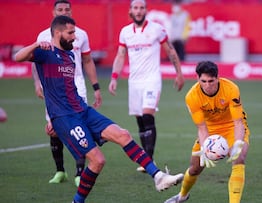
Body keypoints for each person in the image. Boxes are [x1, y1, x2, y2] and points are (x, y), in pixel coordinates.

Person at [14, 15, 183, 203]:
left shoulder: (70, 56)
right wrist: (37, 44)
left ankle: (158, 177)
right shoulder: (45, 52)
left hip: (82, 110)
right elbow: (18, 56)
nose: (74, 37)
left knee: (123, 135)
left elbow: (68, 89)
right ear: (57, 33)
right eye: (70, 33)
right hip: (65, 117)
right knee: (98, 160)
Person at [108, 0, 185, 173]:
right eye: (136, 8)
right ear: (131, 11)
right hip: (134, 82)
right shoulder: (125, 32)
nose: (139, 11)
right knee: (140, 120)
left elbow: (171, 51)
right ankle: (148, 160)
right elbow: (120, 56)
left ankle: (148, 159)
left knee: (147, 115)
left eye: (142, 8)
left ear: (146, 10)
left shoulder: (157, 29)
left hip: (152, 79)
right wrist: (114, 78)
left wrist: (179, 73)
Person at [164, 61, 250, 203]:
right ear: (198, 79)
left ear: (217, 78)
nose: (208, 85)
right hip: (210, 130)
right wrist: (205, 147)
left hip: (231, 127)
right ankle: (182, 196)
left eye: (211, 81)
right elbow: (202, 127)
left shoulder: (231, 89)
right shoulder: (192, 97)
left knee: (239, 158)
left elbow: (238, 122)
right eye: (203, 81)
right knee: (194, 168)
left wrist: (238, 142)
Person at [32, 0, 96, 187]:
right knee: (54, 129)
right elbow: (36, 62)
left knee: (80, 127)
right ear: (53, 12)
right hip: (53, 87)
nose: (64, 12)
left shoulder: (80, 34)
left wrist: (96, 86)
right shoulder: (43, 36)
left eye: (67, 9)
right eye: (60, 9)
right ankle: (60, 171)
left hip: (77, 84)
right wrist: (37, 82)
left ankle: (79, 173)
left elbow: (87, 60)